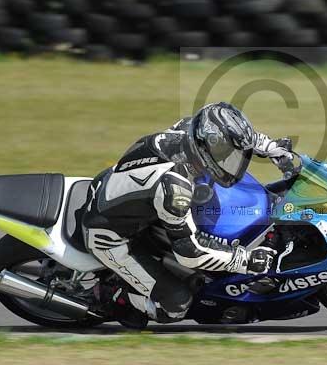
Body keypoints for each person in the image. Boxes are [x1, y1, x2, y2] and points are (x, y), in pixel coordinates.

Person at [81, 102, 293, 323]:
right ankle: (107, 296)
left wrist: (271, 148)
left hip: (119, 192)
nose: (231, 162)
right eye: (224, 155)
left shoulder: (189, 128)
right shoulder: (176, 190)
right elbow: (189, 253)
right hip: (110, 237)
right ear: (204, 149)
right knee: (176, 304)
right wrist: (244, 260)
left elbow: (233, 138)